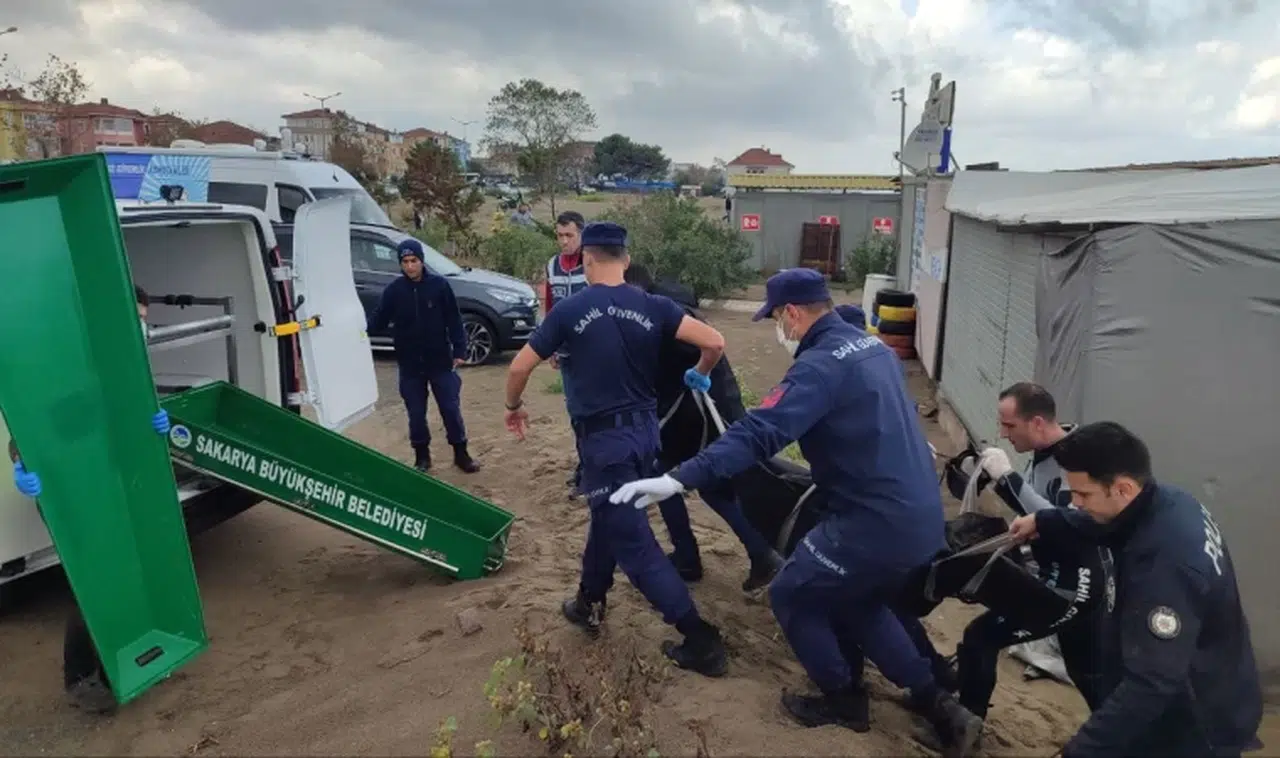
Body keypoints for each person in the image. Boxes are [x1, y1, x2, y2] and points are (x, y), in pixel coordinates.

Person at [611, 269, 982, 755]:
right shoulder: (873, 349)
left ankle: (843, 699)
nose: (778, 330)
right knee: (858, 600)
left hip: (871, 522)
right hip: (919, 514)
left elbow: (760, 432)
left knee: (792, 594)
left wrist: (678, 477)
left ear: (792, 313)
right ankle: (943, 707)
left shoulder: (820, 366)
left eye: (776, 320)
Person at [503, 221, 730, 677]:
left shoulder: (570, 311)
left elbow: (519, 367)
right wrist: (698, 374)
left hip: (604, 442)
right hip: (646, 434)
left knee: (633, 540)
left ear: (587, 259)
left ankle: (699, 637)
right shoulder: (654, 306)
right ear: (625, 260)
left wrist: (513, 406)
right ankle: (589, 600)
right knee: (608, 513)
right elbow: (715, 341)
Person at [1009, 421, 1263, 758]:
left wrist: (1080, 752)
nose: (1076, 503)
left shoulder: (1165, 568)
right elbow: (1110, 524)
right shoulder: (1169, 501)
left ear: (1123, 488)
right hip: (1206, 684)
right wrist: (1045, 520)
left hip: (1194, 722)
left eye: (1083, 495)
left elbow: (1151, 684)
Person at [949, 383, 1108, 725]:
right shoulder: (1051, 454)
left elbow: (1065, 522)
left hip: (1069, 587)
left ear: (1037, 423)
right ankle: (1130, 739)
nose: (1003, 435)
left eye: (1009, 426)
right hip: (1075, 582)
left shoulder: (1075, 463)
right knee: (1093, 677)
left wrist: (1008, 478)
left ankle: (963, 728)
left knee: (981, 635)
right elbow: (1037, 516)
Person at [622, 262, 784, 592]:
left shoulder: (662, 318)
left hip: (696, 414)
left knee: (666, 477)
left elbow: (710, 346)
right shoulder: (667, 307)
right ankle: (756, 553)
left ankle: (692, 558)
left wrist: (697, 372)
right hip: (708, 408)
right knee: (711, 485)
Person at [367, 238, 479, 474]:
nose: (410, 267)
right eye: (405, 262)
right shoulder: (394, 291)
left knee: (450, 409)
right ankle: (422, 457)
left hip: (440, 361)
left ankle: (461, 454)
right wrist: (356, 326)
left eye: (414, 261)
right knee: (416, 414)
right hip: (410, 365)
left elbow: (454, 319)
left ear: (421, 261)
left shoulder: (439, 286)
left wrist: (460, 349)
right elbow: (377, 321)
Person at [542, 211, 589, 496]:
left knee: (596, 413)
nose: (564, 241)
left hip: (595, 354)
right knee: (576, 414)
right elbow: (550, 308)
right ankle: (584, 466)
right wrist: (550, 346)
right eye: (559, 236)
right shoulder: (552, 265)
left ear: (581, 234)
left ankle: (593, 471)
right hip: (568, 355)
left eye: (569, 235)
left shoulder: (593, 264)